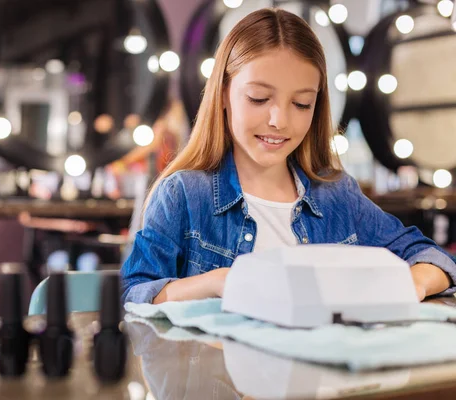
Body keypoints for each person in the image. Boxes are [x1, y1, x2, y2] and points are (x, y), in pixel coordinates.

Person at [120, 8, 456, 305]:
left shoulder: (337, 196)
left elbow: (434, 259)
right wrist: (218, 283)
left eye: (301, 104)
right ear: (223, 95)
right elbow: (134, 294)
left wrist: (411, 283)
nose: (279, 120)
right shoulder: (184, 194)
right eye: (259, 98)